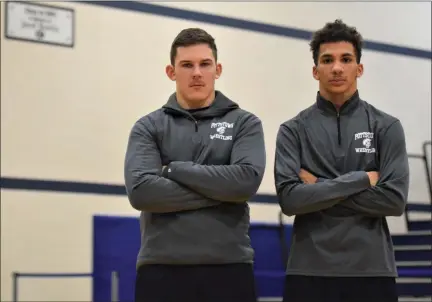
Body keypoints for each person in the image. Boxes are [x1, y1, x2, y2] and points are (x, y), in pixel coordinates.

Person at [124, 27, 266, 302]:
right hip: (161, 270)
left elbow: (245, 181)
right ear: (171, 72)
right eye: (187, 65)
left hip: (229, 269)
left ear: (218, 69)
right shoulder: (148, 127)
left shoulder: (244, 123)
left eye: (205, 64)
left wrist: (174, 170)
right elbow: (142, 192)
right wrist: (222, 193)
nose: (197, 73)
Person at [274, 19, 409, 302]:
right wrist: (362, 180)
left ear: (359, 68)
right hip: (308, 272)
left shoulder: (386, 126)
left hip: (372, 272)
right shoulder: (292, 130)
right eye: (327, 60)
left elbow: (393, 201)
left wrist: (318, 186)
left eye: (346, 59)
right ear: (315, 70)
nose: (336, 67)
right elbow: (291, 200)